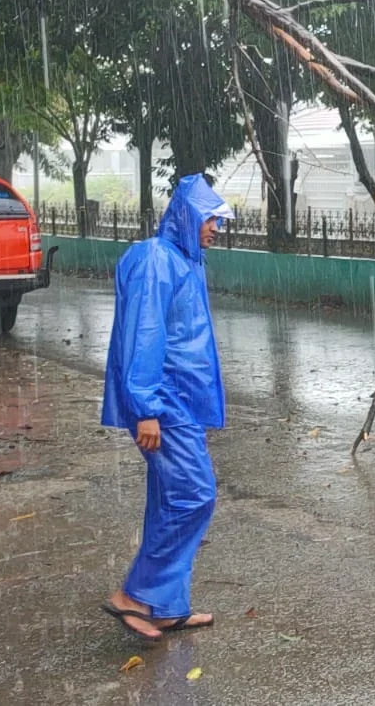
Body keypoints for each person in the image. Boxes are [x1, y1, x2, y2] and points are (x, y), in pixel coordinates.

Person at [100, 174, 234, 642]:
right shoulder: (157, 260)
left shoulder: (183, 261)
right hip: (166, 403)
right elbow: (144, 335)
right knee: (196, 494)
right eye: (209, 218)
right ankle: (136, 595)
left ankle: (166, 605)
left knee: (169, 500)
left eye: (217, 219)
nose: (215, 227)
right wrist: (146, 408)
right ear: (186, 216)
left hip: (181, 404)